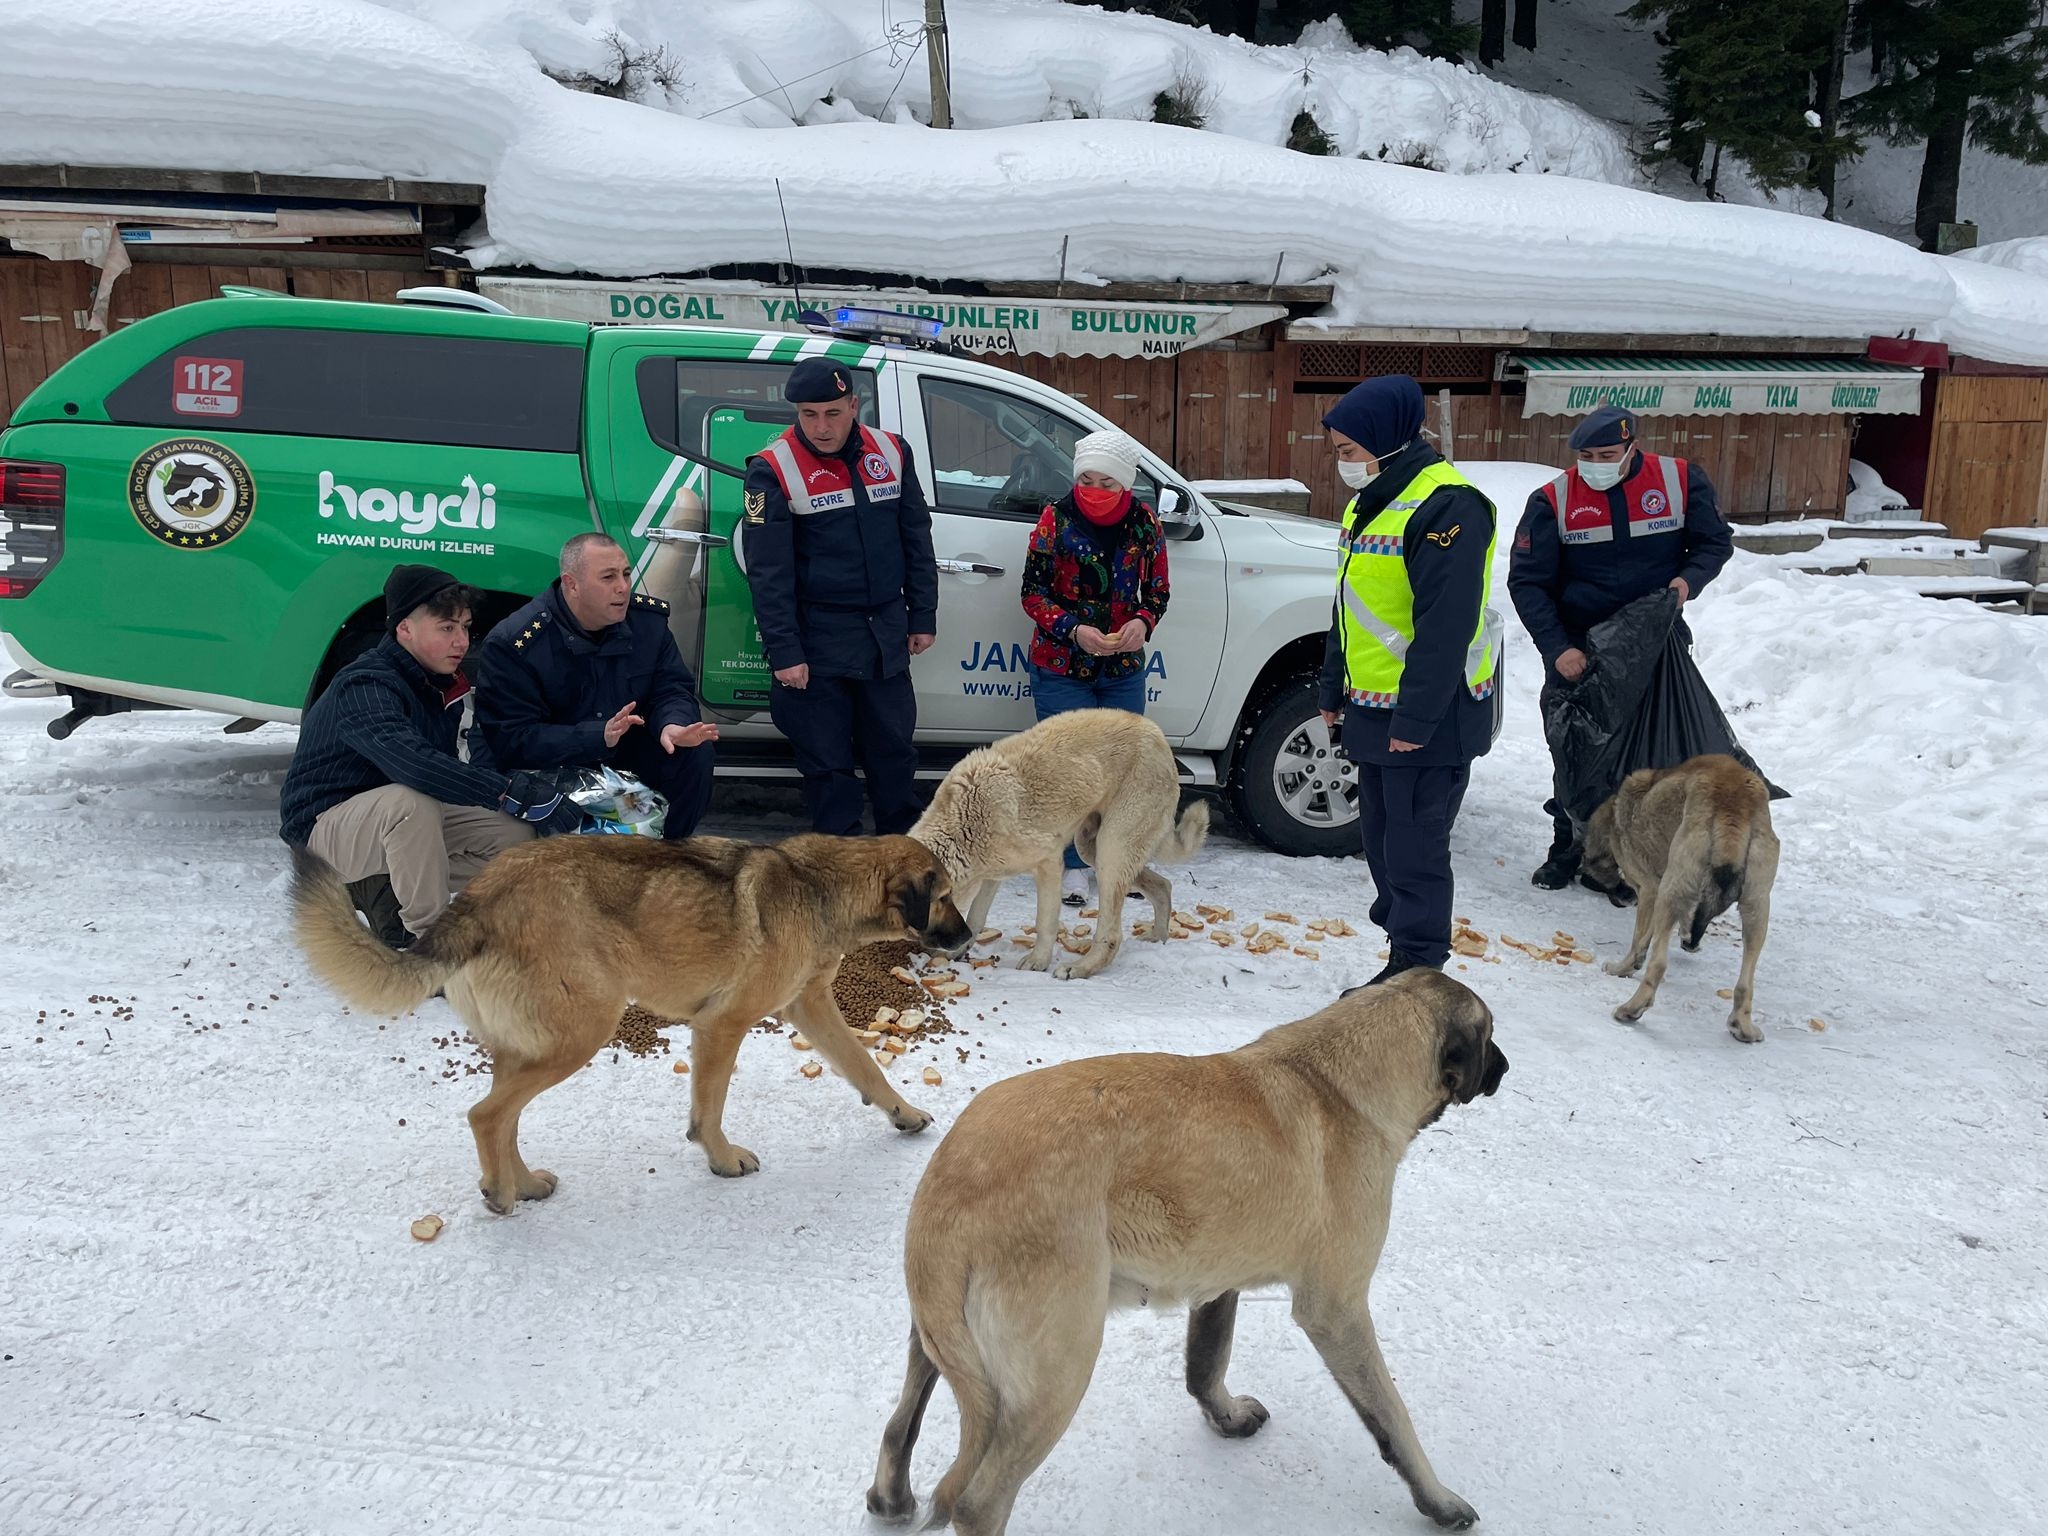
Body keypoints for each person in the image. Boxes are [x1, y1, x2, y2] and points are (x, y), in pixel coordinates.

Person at [279, 564, 581, 949]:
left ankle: (404, 893)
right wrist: (510, 790)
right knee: (410, 802)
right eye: (446, 628)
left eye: (466, 627)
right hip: (322, 839)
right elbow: (415, 765)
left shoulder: (438, 685)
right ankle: (434, 945)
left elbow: (448, 775)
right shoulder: (367, 684)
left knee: (513, 834)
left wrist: (528, 796)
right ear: (405, 629)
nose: (463, 641)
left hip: (392, 827)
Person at [1315, 375, 1499, 988]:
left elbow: (1444, 627)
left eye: (1347, 452)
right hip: (1376, 710)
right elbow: (1350, 606)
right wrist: (1332, 687)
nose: (1342, 465)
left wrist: (1415, 721)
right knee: (1384, 845)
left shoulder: (1449, 506)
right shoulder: (1371, 499)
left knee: (1416, 854)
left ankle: (1417, 974)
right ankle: (1404, 951)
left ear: (1387, 441)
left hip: (1429, 718)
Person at [1506, 405, 1733, 893]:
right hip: (1580, 650)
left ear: (1633, 447)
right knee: (1575, 752)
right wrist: (1557, 648)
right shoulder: (1553, 499)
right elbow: (1528, 583)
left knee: (1646, 759)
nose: (1595, 464)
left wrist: (1685, 583)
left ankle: (1623, 859)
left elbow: (1714, 543)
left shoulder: (1677, 480)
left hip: (1652, 647)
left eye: (1607, 454)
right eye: (1586, 455)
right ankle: (1567, 849)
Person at [742, 355, 939, 836]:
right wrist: (784, 651)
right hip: (817, 637)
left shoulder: (891, 451)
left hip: (883, 633)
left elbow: (916, 535)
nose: (821, 426)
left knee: (894, 753)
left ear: (854, 404)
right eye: (809, 414)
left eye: (832, 412)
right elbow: (769, 573)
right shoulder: (772, 469)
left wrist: (923, 614)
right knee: (828, 767)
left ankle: (900, 857)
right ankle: (843, 873)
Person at [475, 533, 719, 840]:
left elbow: (671, 689)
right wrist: (597, 736)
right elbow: (512, 739)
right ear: (572, 584)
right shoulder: (517, 641)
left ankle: (667, 856)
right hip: (549, 766)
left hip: (620, 756)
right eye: (608, 577)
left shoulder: (647, 623)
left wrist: (673, 725)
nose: (622, 587)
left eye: (626, 574)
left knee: (694, 752)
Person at [1018, 426, 1172, 905]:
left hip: (1122, 668)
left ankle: (1117, 859)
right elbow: (1032, 592)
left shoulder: (1146, 523)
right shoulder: (1054, 520)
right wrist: (1072, 628)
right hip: (1062, 666)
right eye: (1088, 479)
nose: (1096, 490)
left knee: (1124, 771)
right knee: (1067, 773)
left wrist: (1144, 621)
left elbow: (1159, 591)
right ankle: (1070, 868)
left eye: (1108, 483)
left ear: (1125, 484)